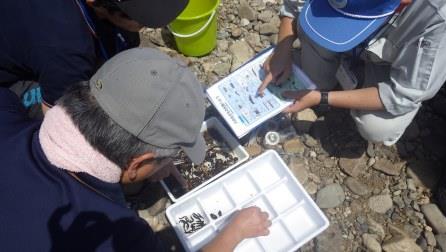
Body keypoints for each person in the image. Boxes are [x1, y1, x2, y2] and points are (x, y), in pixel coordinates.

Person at [0, 48, 271, 251]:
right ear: (136, 163)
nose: (167, 166)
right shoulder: (118, 234)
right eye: (167, 160)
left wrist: (153, 164)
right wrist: (236, 231)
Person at [259, 0, 446, 146]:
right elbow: (295, 5)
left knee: (377, 127)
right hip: (337, 30)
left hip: (391, 62)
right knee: (312, 76)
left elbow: (402, 95)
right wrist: (283, 48)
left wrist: (321, 98)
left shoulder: (440, 17)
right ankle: (340, 54)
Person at [0, 0, 189, 118]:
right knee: (74, 112)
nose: (147, 28)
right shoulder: (68, 50)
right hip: (9, 80)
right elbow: (57, 122)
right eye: (141, 22)